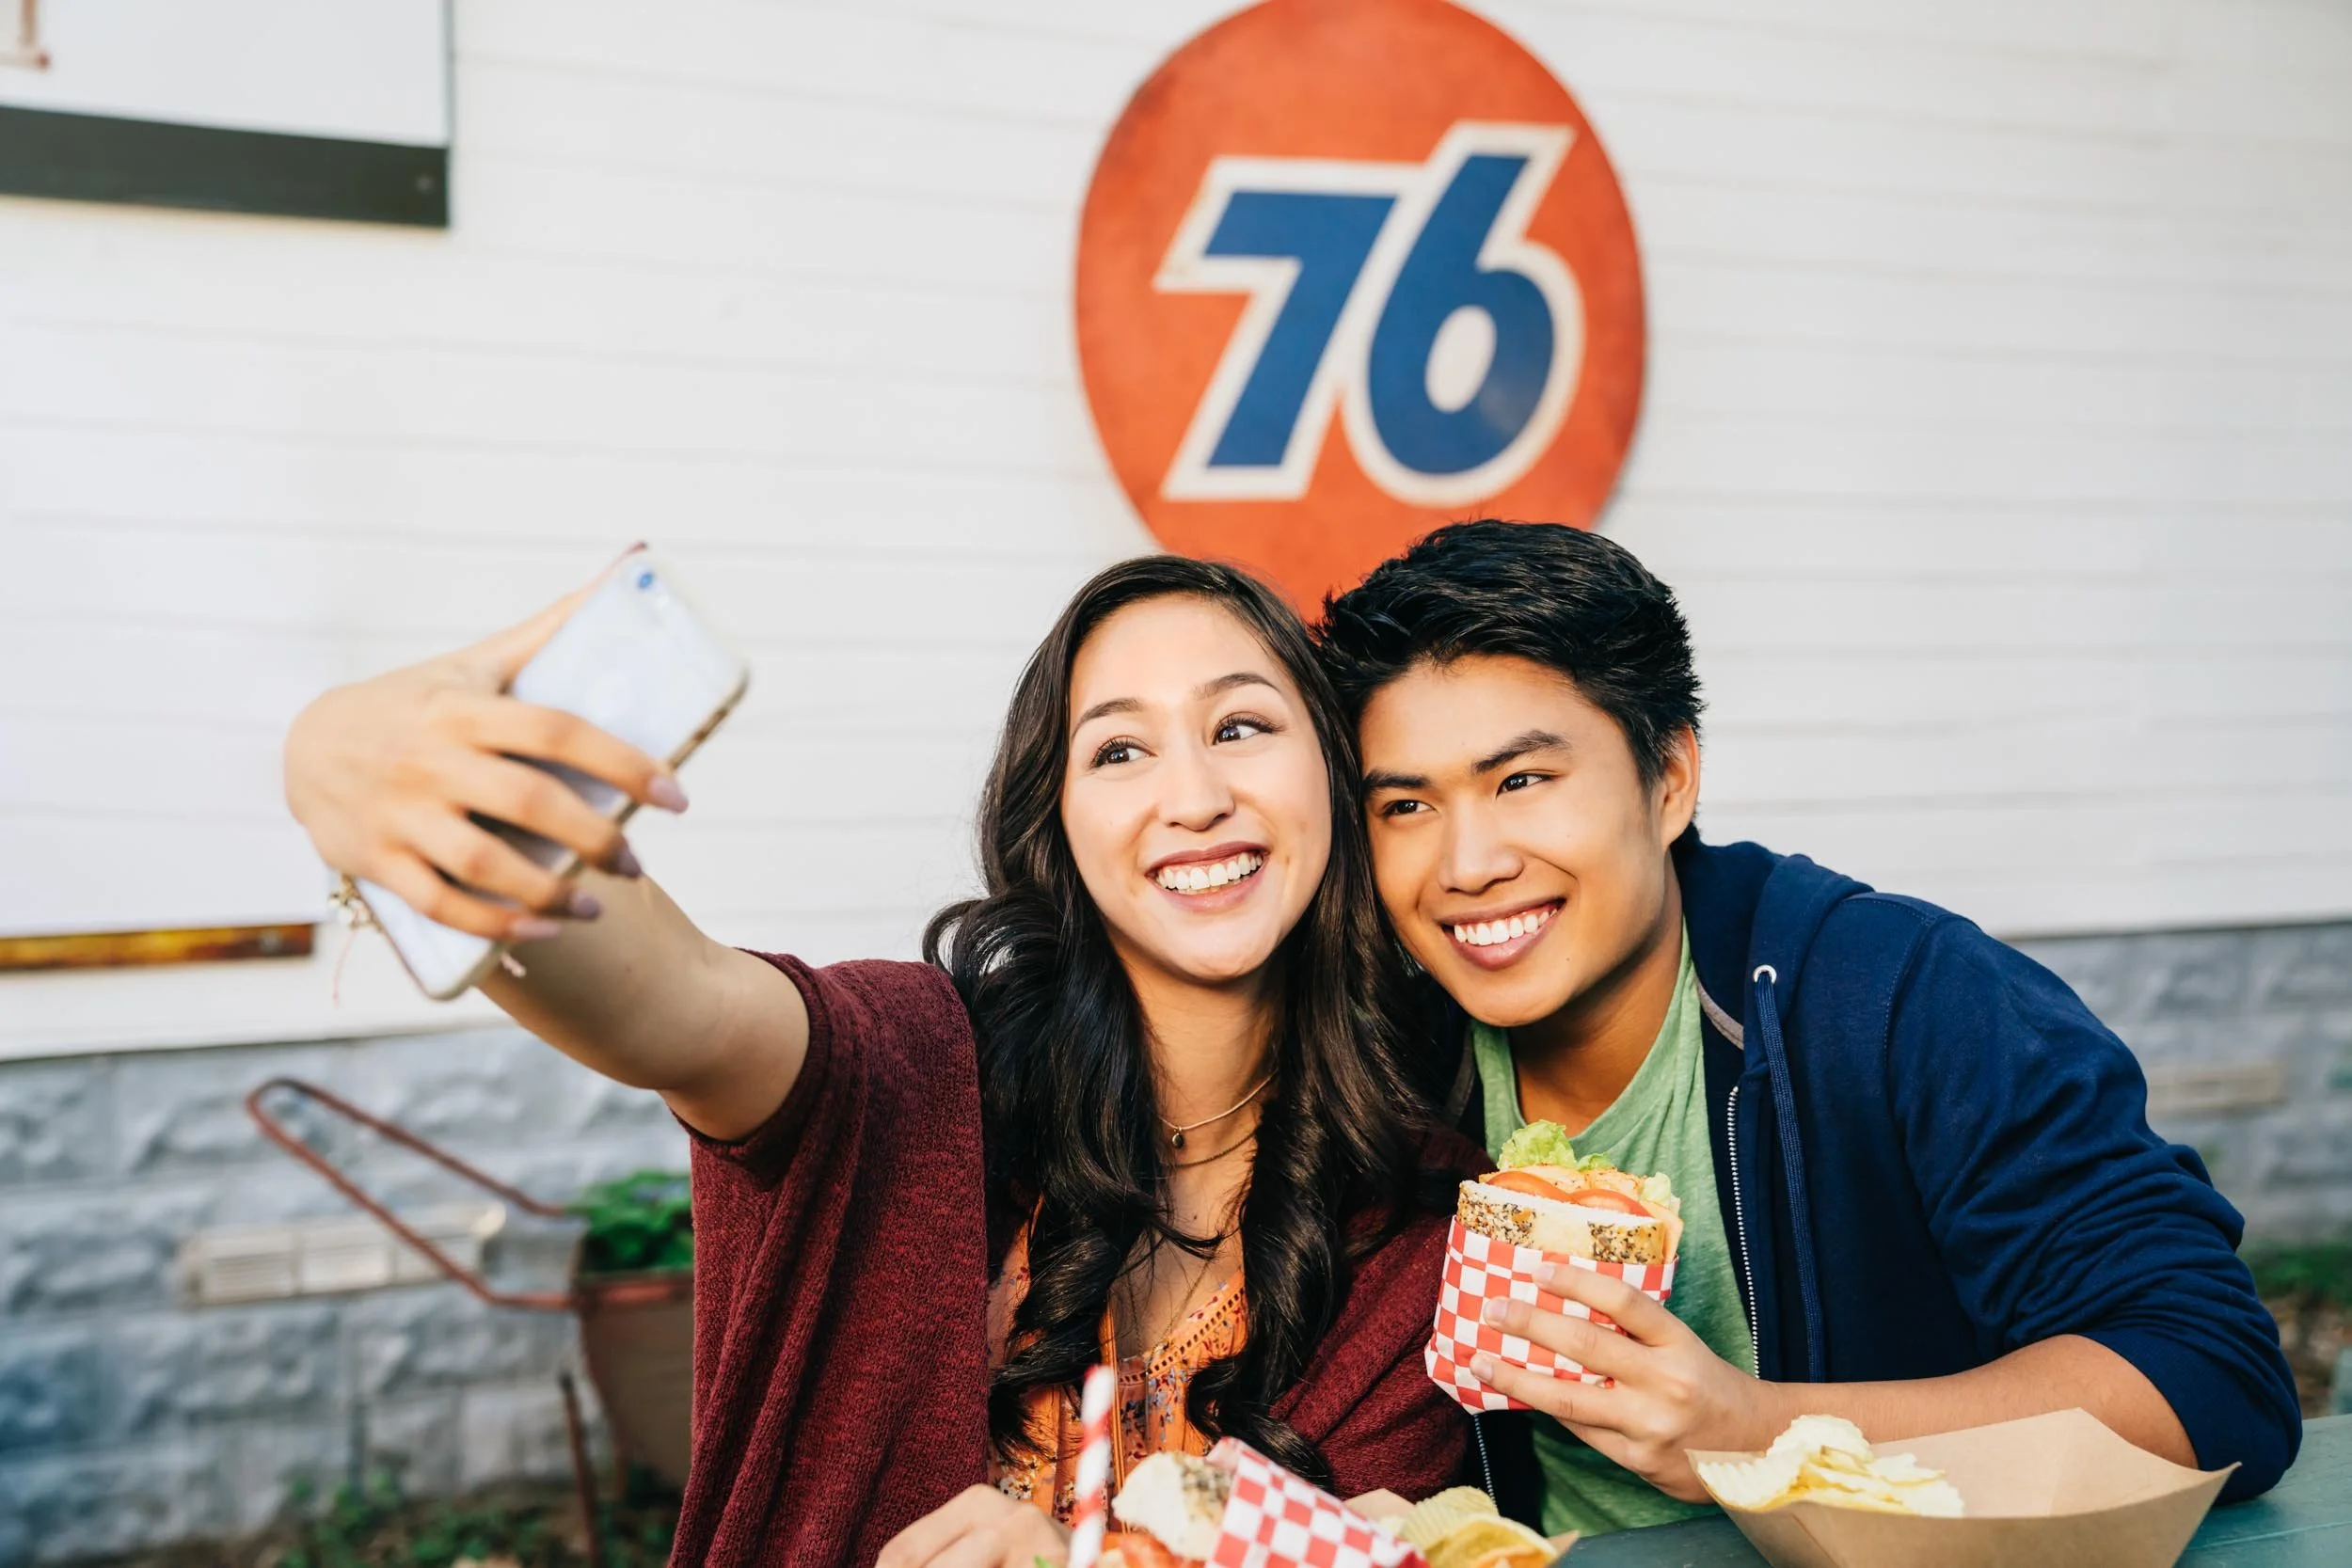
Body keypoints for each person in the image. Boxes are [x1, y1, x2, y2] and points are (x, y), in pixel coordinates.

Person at [283, 555, 1470, 1567]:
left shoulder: (1417, 1227)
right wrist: (361, 773)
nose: (1195, 795)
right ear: (1052, 819)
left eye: (1240, 726)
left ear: (1333, 778)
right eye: (1119, 752)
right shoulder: (910, 1070)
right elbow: (675, 1001)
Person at [1316, 520, 2303, 1538]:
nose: (1467, 861)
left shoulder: (1892, 1000)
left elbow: (2212, 1373)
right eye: (1405, 804)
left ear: (1668, 780)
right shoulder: (1385, 1062)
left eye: (1521, 780)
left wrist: (1758, 1429)